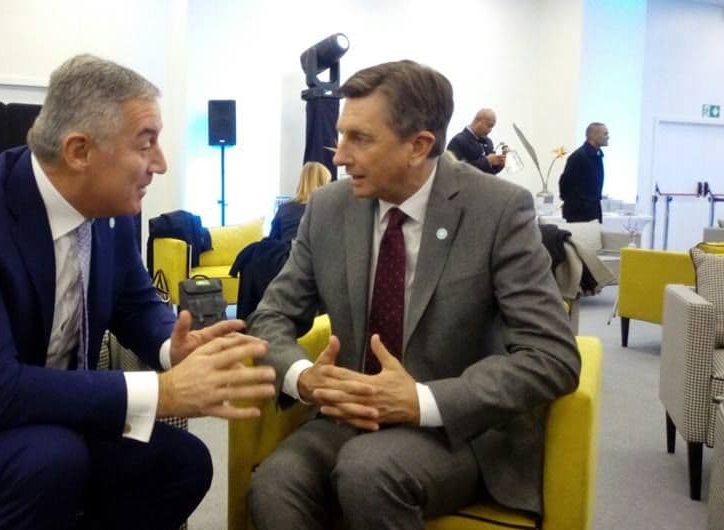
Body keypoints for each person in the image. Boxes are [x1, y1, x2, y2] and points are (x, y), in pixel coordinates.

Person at [0, 54, 277, 530]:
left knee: (182, 463)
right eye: (146, 144)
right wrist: (161, 392)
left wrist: (172, 345)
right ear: (79, 151)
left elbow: (134, 302)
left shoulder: (113, 212)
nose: (160, 164)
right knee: (50, 459)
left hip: (39, 419)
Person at [246, 59, 581, 530]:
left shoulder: (498, 210)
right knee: (274, 484)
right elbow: (271, 316)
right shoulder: (328, 207)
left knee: (368, 471)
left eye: (360, 139)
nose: (339, 157)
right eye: (341, 136)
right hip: (349, 416)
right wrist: (304, 378)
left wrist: (420, 401)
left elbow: (552, 356)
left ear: (418, 145)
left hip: (456, 429)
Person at [269, 161, 331, 242]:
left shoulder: (284, 208)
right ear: (323, 184)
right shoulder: (327, 210)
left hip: (286, 249)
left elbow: (272, 240)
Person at [559, 122, 609, 223]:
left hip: (593, 210)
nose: (608, 137)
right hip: (579, 213)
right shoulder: (578, 157)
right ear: (593, 135)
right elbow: (565, 184)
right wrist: (578, 203)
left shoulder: (597, 155)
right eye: (605, 134)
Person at [445, 108, 506, 174]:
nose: (490, 130)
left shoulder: (488, 142)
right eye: (489, 126)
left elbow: (490, 173)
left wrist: (500, 164)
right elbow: (453, 171)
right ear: (478, 121)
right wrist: (486, 161)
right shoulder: (457, 141)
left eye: (492, 127)